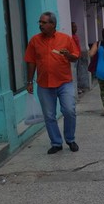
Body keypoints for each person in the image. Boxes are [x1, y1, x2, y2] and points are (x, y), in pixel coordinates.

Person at [24, 11, 80, 154]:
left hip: (64, 82)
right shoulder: (34, 41)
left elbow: (75, 57)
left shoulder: (65, 39)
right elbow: (31, 62)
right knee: (49, 116)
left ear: (53, 24)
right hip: (44, 84)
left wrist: (68, 55)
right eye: (40, 22)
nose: (40, 25)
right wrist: (29, 81)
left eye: (43, 22)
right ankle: (56, 143)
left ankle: (70, 139)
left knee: (69, 111)